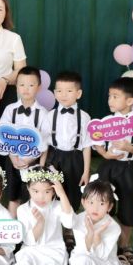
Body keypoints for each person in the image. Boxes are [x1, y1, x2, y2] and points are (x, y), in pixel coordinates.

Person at [41, 178, 121, 265]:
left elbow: (101, 255)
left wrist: (96, 235)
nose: (95, 208)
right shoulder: (80, 218)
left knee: (84, 259)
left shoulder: (113, 227)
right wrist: (62, 194)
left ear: (109, 207)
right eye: (91, 202)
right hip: (82, 260)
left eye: (101, 203)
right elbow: (68, 221)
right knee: (81, 259)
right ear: (83, 202)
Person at [91, 77, 133, 260]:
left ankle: (124, 246)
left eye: (115, 96)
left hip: (129, 168)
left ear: (129, 100)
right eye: (110, 96)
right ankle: (101, 243)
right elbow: (96, 141)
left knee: (129, 206)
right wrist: (105, 154)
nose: (110, 100)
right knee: (101, 202)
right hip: (108, 167)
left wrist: (129, 147)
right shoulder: (107, 120)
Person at [8, 168, 73, 265]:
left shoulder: (58, 206)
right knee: (24, 263)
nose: (41, 197)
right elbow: (28, 241)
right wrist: (40, 223)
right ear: (28, 188)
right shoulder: (23, 209)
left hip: (53, 249)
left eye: (47, 191)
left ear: (54, 191)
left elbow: (69, 222)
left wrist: (62, 195)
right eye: (35, 191)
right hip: (31, 248)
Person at [0, 66, 48, 217]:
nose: (26, 89)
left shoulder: (43, 114)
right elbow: (3, 136)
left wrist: (30, 161)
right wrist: (14, 158)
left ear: (39, 87)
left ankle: (31, 229)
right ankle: (13, 229)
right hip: (13, 162)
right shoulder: (9, 110)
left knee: (32, 198)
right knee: (13, 198)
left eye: (31, 85)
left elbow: (45, 143)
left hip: (33, 163)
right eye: (22, 85)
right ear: (16, 86)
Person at [39, 71, 91, 218]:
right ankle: (52, 224)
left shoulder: (84, 117)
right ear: (55, 93)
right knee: (52, 191)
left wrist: (86, 171)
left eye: (69, 91)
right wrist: (41, 167)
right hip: (54, 157)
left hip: (75, 159)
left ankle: (69, 225)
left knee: (73, 193)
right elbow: (44, 144)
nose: (64, 95)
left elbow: (86, 145)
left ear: (78, 94)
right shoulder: (50, 116)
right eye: (59, 91)